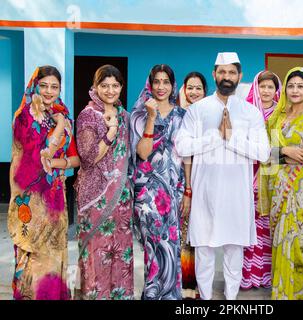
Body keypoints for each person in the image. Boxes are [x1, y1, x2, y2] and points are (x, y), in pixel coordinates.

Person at [175, 52, 270, 300]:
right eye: (222, 72)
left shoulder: (250, 113)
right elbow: (182, 147)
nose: (226, 77)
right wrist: (215, 136)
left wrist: (232, 137)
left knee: (233, 253)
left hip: (237, 195)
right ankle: (205, 299)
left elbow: (264, 151)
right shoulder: (198, 110)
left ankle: (231, 300)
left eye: (231, 72)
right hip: (205, 193)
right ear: (214, 74)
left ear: (239, 76)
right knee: (204, 252)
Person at [8, 66, 80, 300]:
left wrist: (60, 163)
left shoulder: (64, 114)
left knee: (53, 253)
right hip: (29, 199)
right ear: (34, 86)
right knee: (33, 253)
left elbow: (75, 159)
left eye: (55, 86)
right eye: (44, 85)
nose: (49, 91)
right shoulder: (25, 117)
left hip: (55, 198)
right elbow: (42, 154)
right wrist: (59, 127)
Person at [261, 67, 303, 300]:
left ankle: (298, 294)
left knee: (300, 243)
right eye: (291, 86)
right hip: (279, 186)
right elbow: (265, 154)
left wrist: (280, 154)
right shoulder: (277, 118)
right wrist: (287, 152)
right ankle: (280, 294)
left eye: (300, 86)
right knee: (280, 242)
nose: (295, 90)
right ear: (285, 89)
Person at [75, 65, 133, 300]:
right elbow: (88, 158)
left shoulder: (125, 114)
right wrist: (110, 132)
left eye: (115, 85)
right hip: (96, 198)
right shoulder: (88, 115)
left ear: (121, 87)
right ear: (96, 87)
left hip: (121, 198)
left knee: (120, 252)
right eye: (105, 85)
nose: (110, 90)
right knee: (97, 251)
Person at [130, 64, 186, 300]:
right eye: (157, 82)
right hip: (148, 193)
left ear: (173, 86)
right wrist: (151, 118)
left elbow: (187, 156)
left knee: (172, 246)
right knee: (153, 248)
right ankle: (152, 295)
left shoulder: (183, 116)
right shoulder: (139, 115)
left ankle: (172, 296)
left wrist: (188, 191)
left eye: (166, 82)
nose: (161, 87)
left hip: (173, 190)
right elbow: (143, 153)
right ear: (150, 85)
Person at [241, 70, 282, 290]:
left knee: (266, 230)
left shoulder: (281, 114)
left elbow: (278, 150)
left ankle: (264, 276)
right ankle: (246, 277)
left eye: (270, 87)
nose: (266, 91)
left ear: (277, 91)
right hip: (246, 177)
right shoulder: (246, 113)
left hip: (270, 180)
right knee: (247, 229)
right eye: (262, 86)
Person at [178, 71, 208, 299]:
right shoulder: (179, 115)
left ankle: (195, 286)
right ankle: (185, 286)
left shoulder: (208, 117)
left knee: (198, 236)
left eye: (198, 88)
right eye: (190, 87)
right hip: (179, 182)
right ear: (183, 90)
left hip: (204, 182)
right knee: (183, 235)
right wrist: (187, 188)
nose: (194, 92)